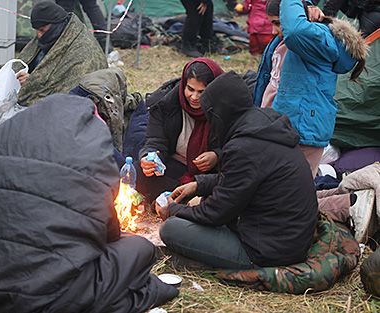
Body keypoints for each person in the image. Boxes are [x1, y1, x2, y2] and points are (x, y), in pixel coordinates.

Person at [0, 94, 179, 313]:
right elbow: (108, 234)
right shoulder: (93, 165)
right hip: (38, 296)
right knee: (140, 248)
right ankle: (147, 291)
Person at [156, 71, 318, 269]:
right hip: (286, 239)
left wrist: (173, 210)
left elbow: (215, 213)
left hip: (266, 252)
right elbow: (244, 180)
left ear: (216, 114)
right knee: (201, 206)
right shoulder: (262, 125)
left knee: (172, 229)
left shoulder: (243, 147)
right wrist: (199, 185)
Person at [253, 0, 368, 177]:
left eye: (278, 23)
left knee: (293, 192)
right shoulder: (282, 43)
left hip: (303, 130)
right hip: (279, 127)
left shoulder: (317, 39)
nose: (274, 31)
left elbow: (294, 30)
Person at [0, 1, 108, 108]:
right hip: (31, 87)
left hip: (64, 106)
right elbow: (26, 62)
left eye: (42, 30)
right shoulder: (52, 35)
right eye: (36, 30)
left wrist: (32, 82)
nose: (39, 35)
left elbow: (69, 93)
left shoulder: (82, 49)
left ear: (55, 25)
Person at [137, 57, 224, 203]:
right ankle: (186, 198)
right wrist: (148, 158)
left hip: (211, 175)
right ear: (183, 84)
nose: (194, 97)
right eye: (190, 89)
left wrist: (216, 156)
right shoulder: (165, 105)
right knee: (139, 172)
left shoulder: (225, 108)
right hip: (176, 166)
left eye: (202, 92)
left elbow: (239, 149)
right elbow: (155, 141)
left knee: (226, 186)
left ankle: (181, 197)